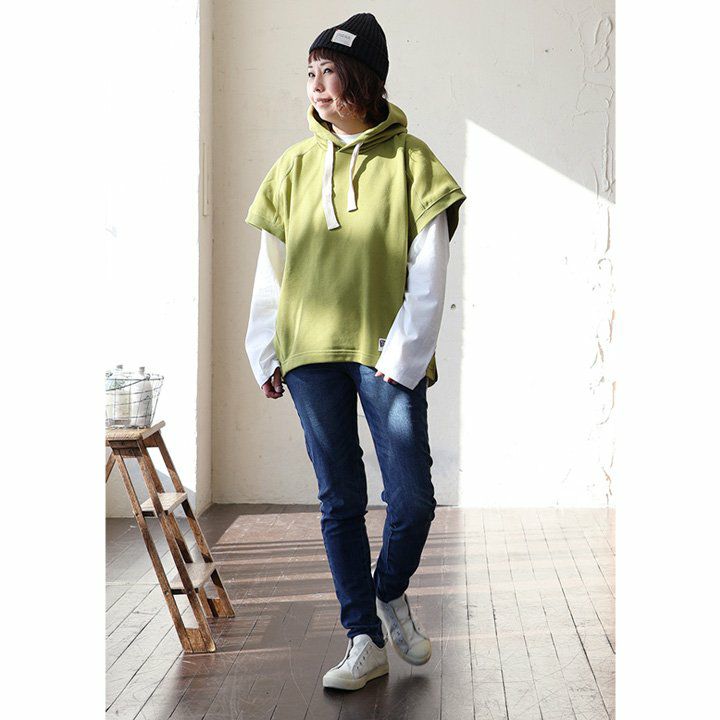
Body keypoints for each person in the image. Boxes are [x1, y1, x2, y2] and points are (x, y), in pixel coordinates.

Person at [244, 13, 466, 692]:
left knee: (413, 499)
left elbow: (429, 271)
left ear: (363, 80)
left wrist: (405, 354)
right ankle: (362, 639)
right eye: (309, 72)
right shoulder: (294, 166)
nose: (316, 85)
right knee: (339, 499)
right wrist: (265, 349)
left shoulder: (414, 162)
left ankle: (388, 589)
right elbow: (271, 268)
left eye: (329, 72)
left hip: (385, 354)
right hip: (310, 355)